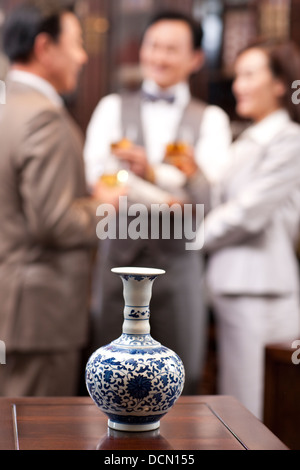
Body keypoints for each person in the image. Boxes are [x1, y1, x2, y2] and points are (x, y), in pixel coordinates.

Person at [84, 10, 232, 395]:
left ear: (196, 58)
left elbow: (210, 198)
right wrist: (174, 190)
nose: (160, 57)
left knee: (183, 378)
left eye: (172, 49)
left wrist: (146, 177)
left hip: (180, 267)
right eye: (153, 46)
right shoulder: (110, 107)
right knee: (107, 378)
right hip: (117, 260)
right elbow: (97, 183)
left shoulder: (212, 119)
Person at [0, 0, 125, 397]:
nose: (83, 56)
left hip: (13, 306)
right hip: (38, 315)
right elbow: (53, 222)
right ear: (44, 47)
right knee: (34, 433)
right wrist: (105, 203)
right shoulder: (44, 117)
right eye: (76, 43)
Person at [180, 40, 300, 418]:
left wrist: (188, 239)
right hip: (232, 287)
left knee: (254, 409)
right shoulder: (247, 139)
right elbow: (221, 201)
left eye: (250, 74)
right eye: (237, 76)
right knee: (237, 406)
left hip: (260, 288)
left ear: (280, 84)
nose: (238, 86)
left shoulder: (289, 139)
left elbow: (248, 213)